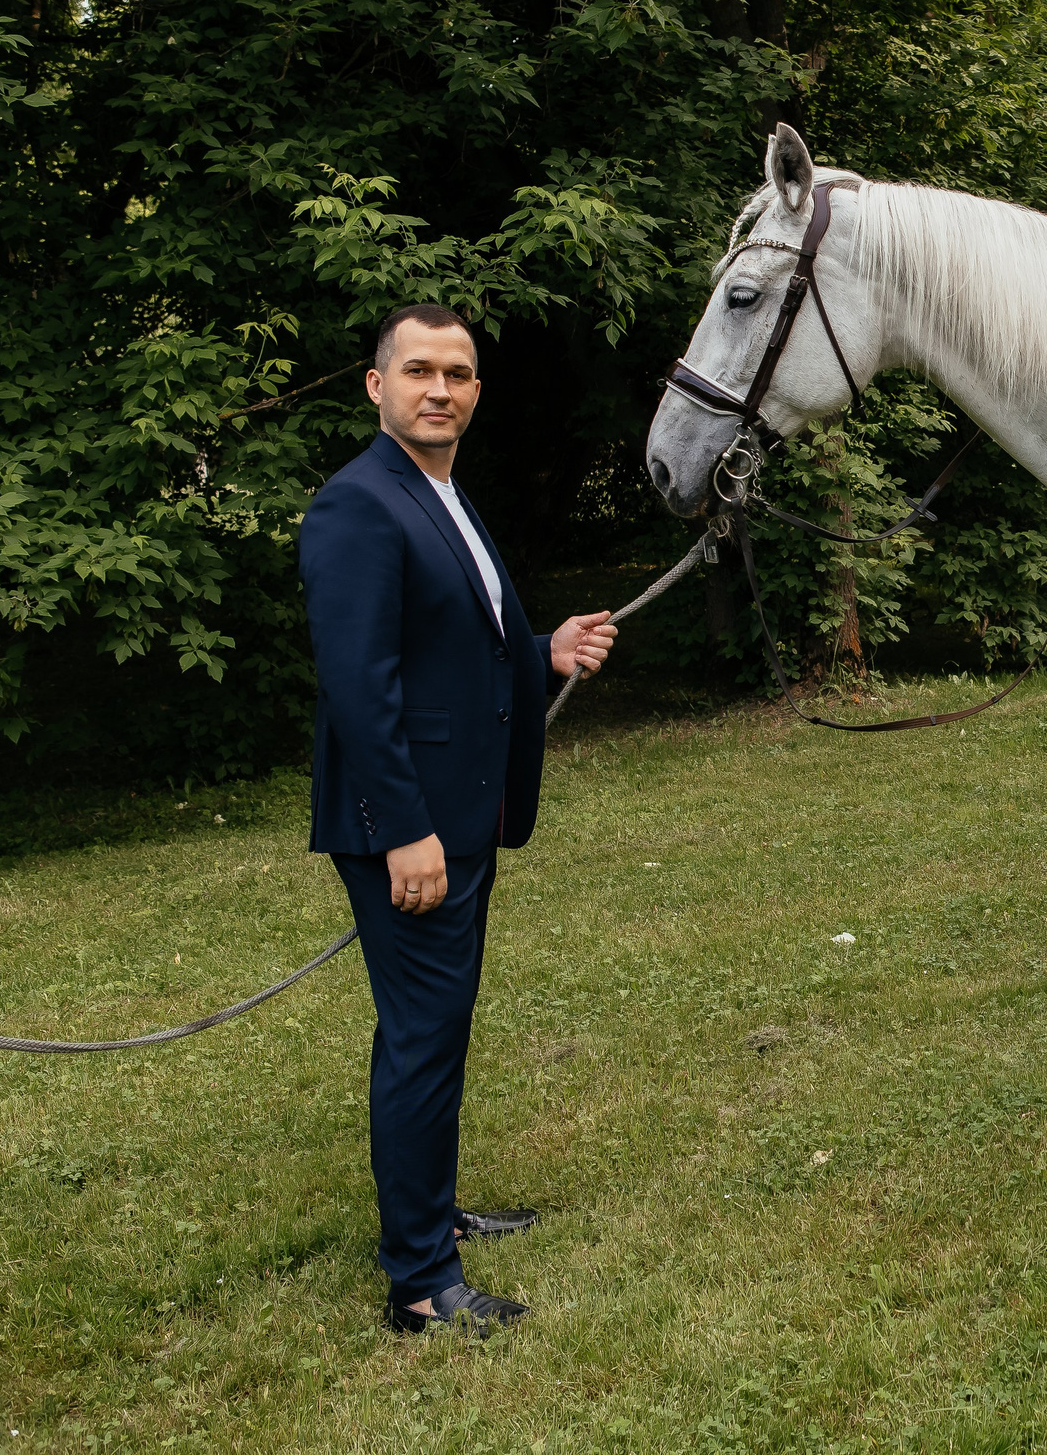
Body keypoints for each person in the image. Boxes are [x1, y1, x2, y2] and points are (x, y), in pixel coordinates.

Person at [299, 303, 619, 1338]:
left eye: (461, 374)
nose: (441, 389)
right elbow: (361, 685)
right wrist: (404, 829)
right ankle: (422, 1286)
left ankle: (432, 1218)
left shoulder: (437, 492)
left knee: (435, 1035)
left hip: (461, 816)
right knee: (422, 1041)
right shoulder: (358, 504)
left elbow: (456, 649)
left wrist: (542, 649)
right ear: (376, 385)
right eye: (420, 371)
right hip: (413, 828)